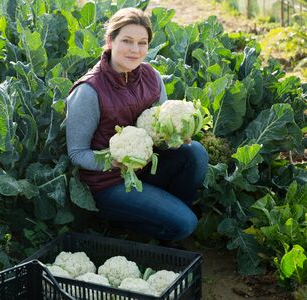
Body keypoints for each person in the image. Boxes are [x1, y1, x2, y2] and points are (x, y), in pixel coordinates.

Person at [66, 7, 209, 242]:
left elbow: (159, 129)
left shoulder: (152, 77)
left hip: (144, 169)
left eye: (142, 43)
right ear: (110, 41)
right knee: (186, 224)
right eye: (127, 41)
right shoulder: (88, 91)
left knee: (195, 153)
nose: (135, 50)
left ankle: (162, 216)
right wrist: (112, 161)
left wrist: (172, 137)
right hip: (108, 183)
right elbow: (76, 153)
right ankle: (134, 224)